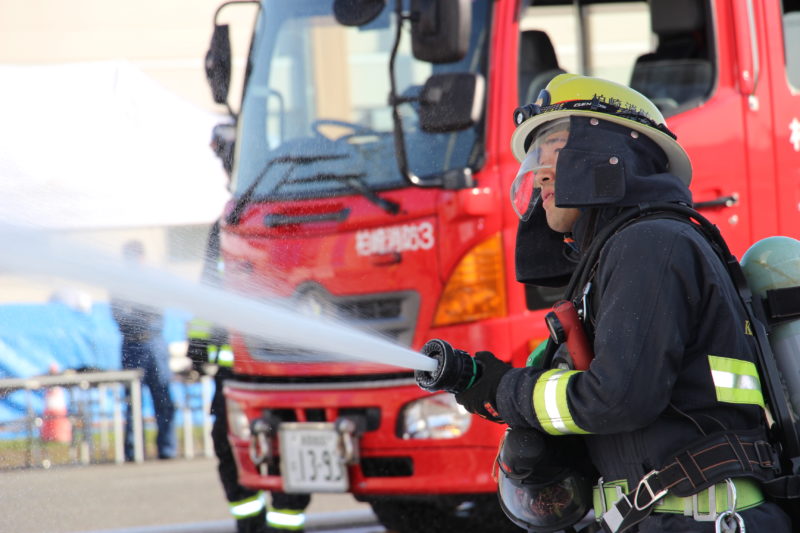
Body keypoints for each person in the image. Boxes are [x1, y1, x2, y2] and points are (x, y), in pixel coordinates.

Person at [451, 74, 791, 532]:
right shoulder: (616, 256)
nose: (541, 171)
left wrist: (504, 391)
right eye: (537, 155)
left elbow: (617, 400)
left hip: (701, 521)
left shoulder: (650, 244)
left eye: (555, 147)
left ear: (609, 153)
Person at [188, 135, 311, 532]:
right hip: (234, 369)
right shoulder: (227, 225)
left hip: (284, 368)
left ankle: (285, 523)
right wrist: (200, 341)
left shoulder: (294, 222)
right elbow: (209, 290)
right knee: (228, 447)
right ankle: (250, 521)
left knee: (290, 449)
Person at [111, 240, 176, 461]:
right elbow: (120, 316)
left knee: (163, 398)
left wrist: (137, 315)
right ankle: (133, 451)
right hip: (132, 345)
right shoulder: (120, 284)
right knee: (133, 402)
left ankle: (166, 449)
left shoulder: (152, 280)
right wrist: (139, 315)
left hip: (153, 343)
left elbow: (154, 312)